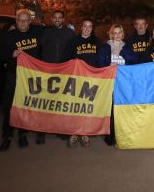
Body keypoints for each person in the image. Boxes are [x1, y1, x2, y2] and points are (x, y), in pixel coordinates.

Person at [0, 9, 43, 152]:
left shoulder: (37, 33)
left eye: (25, 20)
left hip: (30, 76)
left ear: (30, 21)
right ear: (16, 22)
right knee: (10, 105)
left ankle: (23, 134)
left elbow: (53, 34)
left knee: (25, 105)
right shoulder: (9, 36)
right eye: (19, 20)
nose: (22, 23)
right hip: (13, 75)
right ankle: (7, 136)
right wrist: (11, 54)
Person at [65, 19, 106, 148]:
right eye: (85, 26)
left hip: (91, 79)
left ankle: (84, 133)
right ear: (81, 27)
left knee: (87, 107)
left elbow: (104, 55)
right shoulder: (74, 41)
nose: (87, 29)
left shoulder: (97, 42)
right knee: (75, 106)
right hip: (76, 79)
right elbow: (65, 59)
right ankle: (73, 133)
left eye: (90, 26)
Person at [36, 9, 74, 145]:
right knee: (45, 101)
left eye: (60, 17)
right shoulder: (46, 32)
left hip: (64, 71)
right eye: (55, 17)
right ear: (52, 19)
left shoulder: (69, 33)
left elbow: (74, 50)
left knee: (61, 102)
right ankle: (41, 131)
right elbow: (38, 49)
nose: (57, 19)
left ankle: (61, 130)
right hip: (48, 71)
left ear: (63, 19)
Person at [98, 23, 126, 146]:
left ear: (122, 34)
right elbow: (100, 62)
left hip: (122, 82)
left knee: (120, 108)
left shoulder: (127, 47)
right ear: (111, 34)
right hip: (109, 82)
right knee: (109, 108)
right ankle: (110, 134)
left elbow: (133, 62)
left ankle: (121, 134)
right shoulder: (105, 47)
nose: (117, 35)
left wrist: (121, 64)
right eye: (114, 33)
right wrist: (108, 65)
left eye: (119, 32)